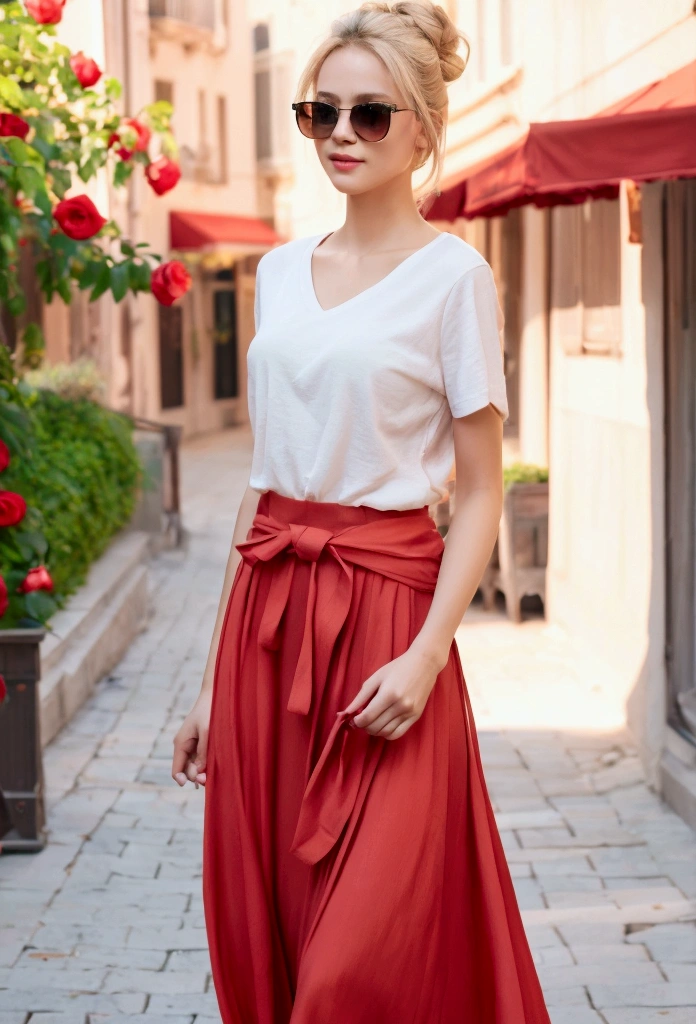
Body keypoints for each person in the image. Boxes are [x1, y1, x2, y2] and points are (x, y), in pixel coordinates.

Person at [171, 2, 552, 1021]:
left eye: (370, 114)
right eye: (318, 111)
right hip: (267, 623)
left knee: (358, 968)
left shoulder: (452, 280)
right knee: (280, 929)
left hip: (387, 622)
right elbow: (262, 484)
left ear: (423, 127)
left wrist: (428, 654)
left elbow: (479, 490)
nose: (340, 133)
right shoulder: (279, 273)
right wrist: (212, 682)